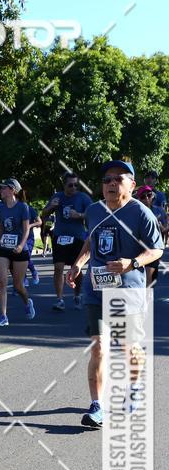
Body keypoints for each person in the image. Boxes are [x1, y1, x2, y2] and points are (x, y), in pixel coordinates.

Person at [67, 159, 163, 428]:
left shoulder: (140, 213)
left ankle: (134, 386)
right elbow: (91, 240)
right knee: (99, 345)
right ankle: (97, 406)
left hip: (128, 289)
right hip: (96, 288)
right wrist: (78, 263)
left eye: (118, 178)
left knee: (127, 346)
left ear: (131, 185)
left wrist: (131, 263)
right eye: (107, 179)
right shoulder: (95, 211)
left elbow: (156, 249)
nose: (111, 183)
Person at [41, 172, 92, 311]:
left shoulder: (83, 198)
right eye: (71, 185)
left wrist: (79, 215)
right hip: (59, 237)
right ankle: (59, 299)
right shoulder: (57, 197)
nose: (74, 187)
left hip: (78, 237)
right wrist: (51, 207)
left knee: (76, 268)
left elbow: (93, 214)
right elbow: (43, 215)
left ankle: (77, 294)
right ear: (64, 185)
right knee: (58, 268)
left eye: (76, 185)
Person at [0, 178, 35, 327]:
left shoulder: (23, 207)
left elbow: (26, 229)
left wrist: (21, 245)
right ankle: (3, 316)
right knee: (3, 282)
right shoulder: (0, 207)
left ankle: (27, 301)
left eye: (4, 188)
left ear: (12, 190)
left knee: (18, 286)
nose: (1, 190)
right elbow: (0, 227)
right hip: (3, 249)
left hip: (19, 249)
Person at [135, 185, 167, 286]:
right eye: (143, 196)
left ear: (153, 196)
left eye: (149, 195)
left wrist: (160, 225)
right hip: (136, 250)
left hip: (153, 249)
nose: (147, 198)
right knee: (139, 281)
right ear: (139, 199)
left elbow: (166, 229)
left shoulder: (159, 211)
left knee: (149, 282)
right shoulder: (134, 211)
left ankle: (147, 301)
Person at [17, 188, 41, 286]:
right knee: (20, 259)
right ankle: (24, 279)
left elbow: (39, 222)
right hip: (18, 238)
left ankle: (34, 272)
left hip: (29, 238)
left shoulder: (29, 209)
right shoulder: (15, 209)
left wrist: (30, 226)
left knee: (26, 258)